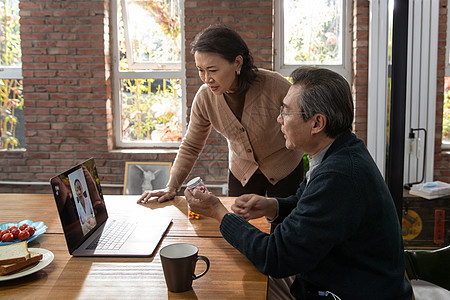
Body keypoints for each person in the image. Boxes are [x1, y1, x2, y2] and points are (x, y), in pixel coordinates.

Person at [184, 66, 413, 299]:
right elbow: (306, 205)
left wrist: (218, 212)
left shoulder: (340, 176)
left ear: (316, 124)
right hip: (331, 276)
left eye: (285, 112)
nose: (278, 119)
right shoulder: (337, 152)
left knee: (235, 288)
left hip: (346, 291)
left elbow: (275, 257)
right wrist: (272, 206)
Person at [138, 24, 303, 203]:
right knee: (239, 225)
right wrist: (171, 187)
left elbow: (303, 121)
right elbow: (191, 145)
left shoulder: (274, 86)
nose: (207, 78)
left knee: (286, 226)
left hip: (285, 169)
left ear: (237, 63)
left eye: (213, 70)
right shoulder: (204, 98)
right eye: (201, 70)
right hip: (242, 173)